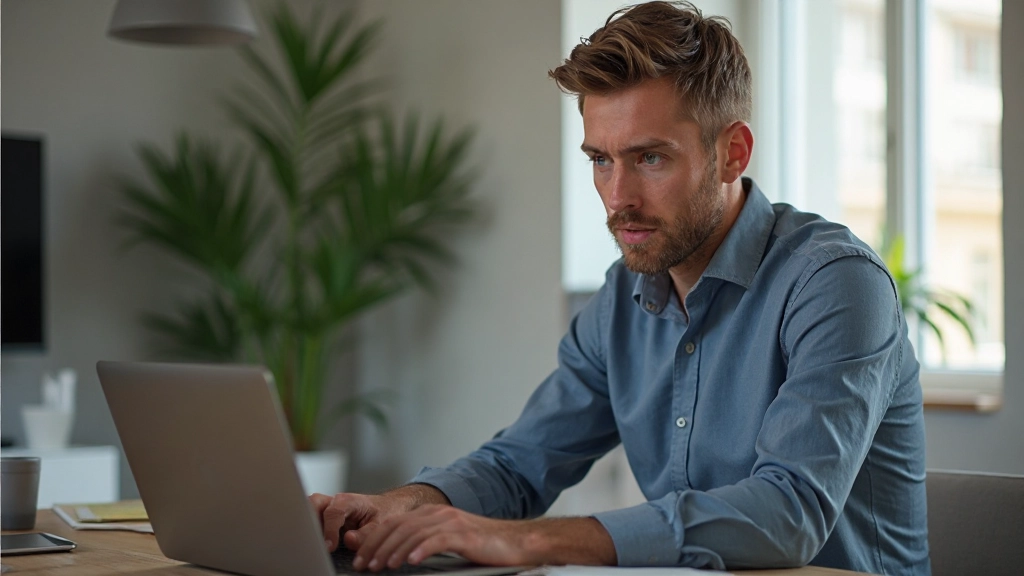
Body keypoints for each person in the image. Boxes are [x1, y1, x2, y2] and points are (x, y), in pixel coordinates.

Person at [309, 2, 930, 574]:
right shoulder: (621, 301)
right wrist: (403, 505)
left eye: (650, 158)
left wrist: (523, 540)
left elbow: (788, 512)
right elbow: (520, 462)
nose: (617, 198)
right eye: (601, 160)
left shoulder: (836, 283)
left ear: (733, 153)